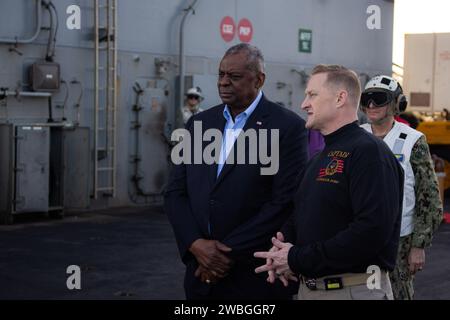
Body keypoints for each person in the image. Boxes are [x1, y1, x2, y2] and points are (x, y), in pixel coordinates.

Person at [164, 43, 308, 299]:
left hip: (253, 276)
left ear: (259, 79)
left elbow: (284, 202)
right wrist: (195, 245)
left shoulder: (288, 127)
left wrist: (220, 254)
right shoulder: (199, 124)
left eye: (235, 76)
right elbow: (176, 192)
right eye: (221, 74)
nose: (224, 82)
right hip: (199, 273)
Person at [254, 64, 404, 300]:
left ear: (340, 98)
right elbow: (306, 213)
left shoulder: (369, 153)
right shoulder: (318, 159)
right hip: (310, 290)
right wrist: (282, 244)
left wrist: (296, 258)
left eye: (312, 95)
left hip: (353, 291)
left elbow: (371, 232)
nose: (304, 104)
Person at [360, 75, 443, 300]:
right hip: (360, 238)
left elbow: (429, 197)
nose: (371, 105)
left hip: (400, 241)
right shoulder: (357, 136)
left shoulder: (413, 140)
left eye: (379, 99)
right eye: (366, 99)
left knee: (398, 295)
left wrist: (418, 245)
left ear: (397, 104)